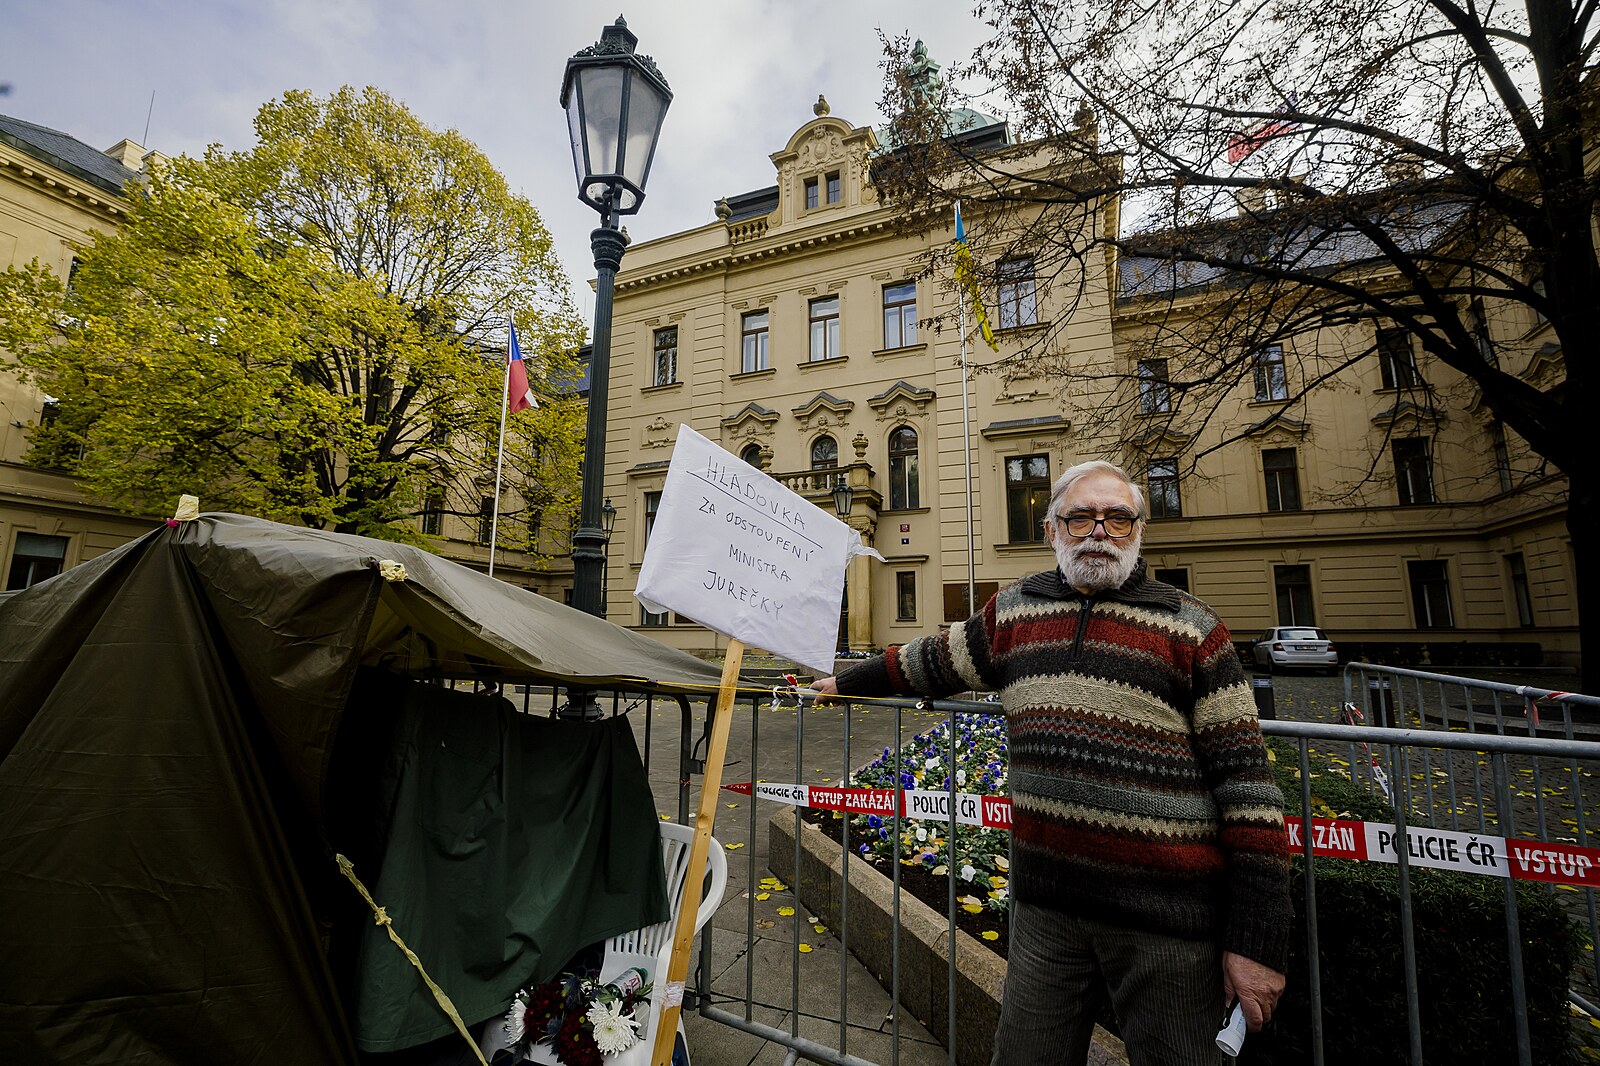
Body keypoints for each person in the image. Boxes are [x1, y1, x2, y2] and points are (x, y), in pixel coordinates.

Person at [812, 460, 1290, 1066]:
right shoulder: (1015, 612)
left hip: (1167, 925)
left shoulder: (1192, 627)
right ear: (1051, 529)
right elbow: (932, 659)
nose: (1100, 531)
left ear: (1139, 529)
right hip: (1047, 913)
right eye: (1081, 517)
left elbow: (1250, 792)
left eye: (1118, 518)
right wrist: (844, 682)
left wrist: (1256, 940)